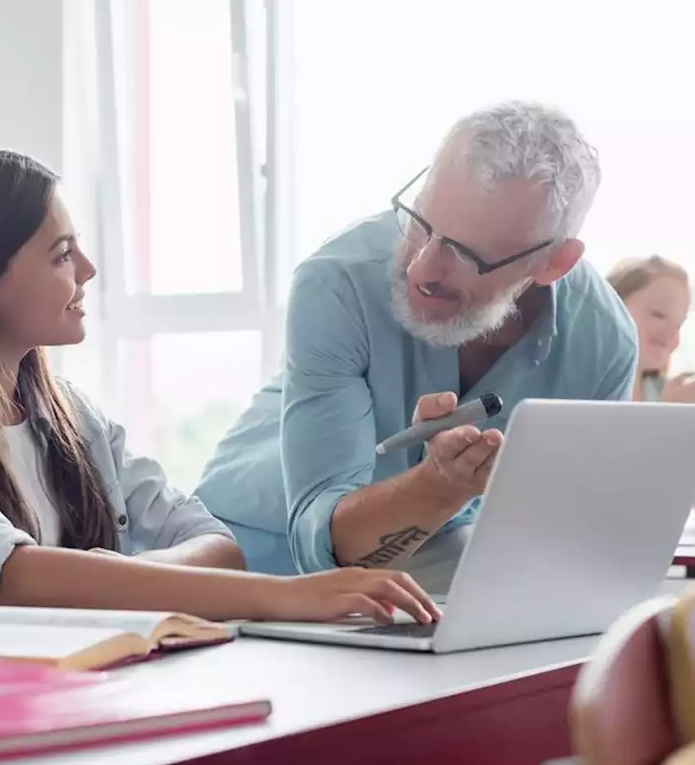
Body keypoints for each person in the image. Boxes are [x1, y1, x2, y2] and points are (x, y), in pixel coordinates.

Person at [0, 147, 440, 628]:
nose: (88, 270)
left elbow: (216, 546)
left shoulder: (76, 420)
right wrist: (286, 597)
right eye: (62, 254)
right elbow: (6, 575)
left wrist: (112, 579)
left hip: (68, 702)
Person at [194, 101, 639, 588]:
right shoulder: (338, 283)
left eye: (467, 254)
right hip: (248, 558)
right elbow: (321, 551)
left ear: (553, 263)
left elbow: (568, 543)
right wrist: (439, 486)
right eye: (420, 222)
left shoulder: (604, 342)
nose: (422, 268)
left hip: (422, 577)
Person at [607, 255, 695, 516]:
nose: (671, 338)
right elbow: (609, 489)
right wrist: (664, 415)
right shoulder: (589, 388)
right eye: (658, 315)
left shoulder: (662, 391)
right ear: (612, 304)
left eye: (679, 324)